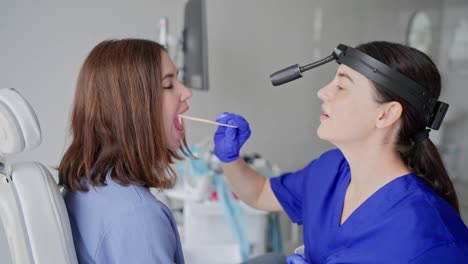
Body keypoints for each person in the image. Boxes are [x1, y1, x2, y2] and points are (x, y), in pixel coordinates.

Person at [213, 41, 468, 263]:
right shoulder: (332, 169)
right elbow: (259, 194)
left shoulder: (423, 234)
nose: (322, 92)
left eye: (342, 86)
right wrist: (229, 158)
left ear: (386, 114)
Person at [59, 38, 192, 264]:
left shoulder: (89, 182)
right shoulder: (138, 218)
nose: (186, 92)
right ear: (133, 107)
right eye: (168, 85)